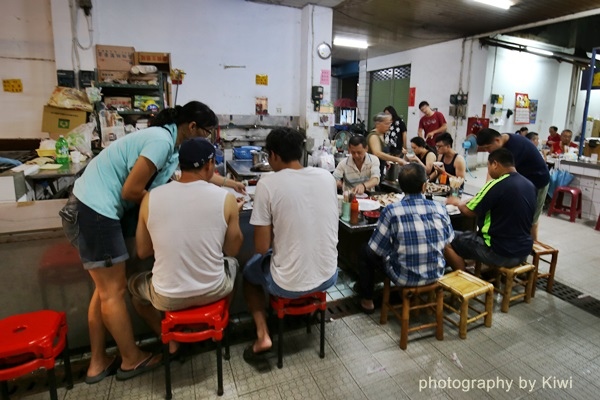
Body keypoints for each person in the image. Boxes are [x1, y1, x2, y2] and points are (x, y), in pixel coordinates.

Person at [59, 101, 245, 384]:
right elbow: (132, 190)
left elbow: (191, 175)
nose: (208, 138)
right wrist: (161, 205)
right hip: (95, 211)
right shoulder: (160, 141)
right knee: (112, 291)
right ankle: (130, 360)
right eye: (207, 132)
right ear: (192, 127)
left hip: (98, 209)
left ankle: (97, 360)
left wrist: (229, 184)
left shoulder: (171, 147)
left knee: (104, 291)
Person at [128, 137, 244, 357]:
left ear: (180, 164)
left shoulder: (151, 198)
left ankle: (169, 341)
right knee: (234, 265)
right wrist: (232, 216)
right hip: (214, 289)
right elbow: (233, 250)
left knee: (135, 291)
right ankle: (218, 324)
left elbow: (143, 251)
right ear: (210, 165)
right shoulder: (226, 199)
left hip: (166, 297)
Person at [242, 128, 339, 360]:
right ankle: (305, 312)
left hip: (287, 284)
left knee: (248, 273)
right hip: (329, 275)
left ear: (273, 155)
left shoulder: (267, 183)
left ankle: (263, 334)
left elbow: (261, 247)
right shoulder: (326, 176)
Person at [357, 163, 454, 313]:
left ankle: (367, 299)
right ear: (424, 186)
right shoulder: (440, 208)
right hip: (436, 273)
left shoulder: (392, 211)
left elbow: (376, 249)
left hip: (403, 277)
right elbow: (448, 241)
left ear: (401, 187)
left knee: (365, 250)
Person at [444, 148, 536, 272]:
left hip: (499, 253)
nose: (488, 170)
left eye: (488, 166)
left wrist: (457, 202)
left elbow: (468, 211)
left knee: (446, 239)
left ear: (495, 164)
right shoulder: (529, 185)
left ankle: (465, 280)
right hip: (523, 251)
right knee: (468, 238)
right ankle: (472, 265)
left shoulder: (496, 184)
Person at [476, 128, 549, 242]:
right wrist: (486, 189)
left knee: (531, 217)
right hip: (523, 180)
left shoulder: (514, 148)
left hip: (538, 180)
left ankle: (532, 244)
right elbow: (493, 169)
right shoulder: (501, 142)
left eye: (487, 147)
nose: (487, 151)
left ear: (497, 140)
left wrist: (488, 190)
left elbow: (501, 174)